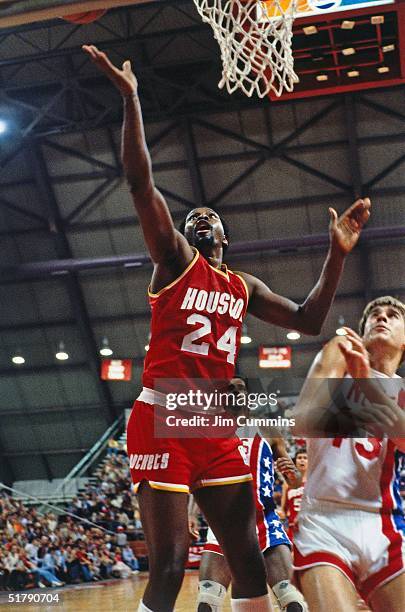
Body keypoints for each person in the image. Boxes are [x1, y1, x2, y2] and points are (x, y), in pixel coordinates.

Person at [82, 43, 370, 612]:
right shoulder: (173, 261)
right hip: (164, 412)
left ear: (226, 238)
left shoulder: (243, 286)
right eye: (193, 219)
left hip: (212, 423)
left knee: (248, 562)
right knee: (167, 567)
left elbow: (311, 319)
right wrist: (132, 100)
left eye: (210, 219)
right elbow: (141, 186)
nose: (201, 219)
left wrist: (336, 255)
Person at [291, 296, 405, 611]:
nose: (382, 317)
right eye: (374, 315)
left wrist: (367, 385)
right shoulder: (340, 353)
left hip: (382, 523)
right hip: (323, 519)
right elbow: (302, 421)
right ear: (363, 330)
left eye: (393, 315)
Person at [192, 377, 308, 612]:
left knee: (293, 601)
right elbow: (199, 477)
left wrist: (291, 472)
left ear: (248, 395)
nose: (235, 392)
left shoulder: (267, 428)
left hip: (264, 521)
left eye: (240, 388)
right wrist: (191, 513)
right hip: (224, 525)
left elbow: (294, 480)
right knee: (207, 602)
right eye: (230, 389)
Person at [280, 450, 307, 543]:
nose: (302, 460)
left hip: (310, 525)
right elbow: (283, 510)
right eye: (299, 458)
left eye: (305, 458)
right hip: (293, 527)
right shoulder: (287, 484)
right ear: (295, 461)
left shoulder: (314, 481)